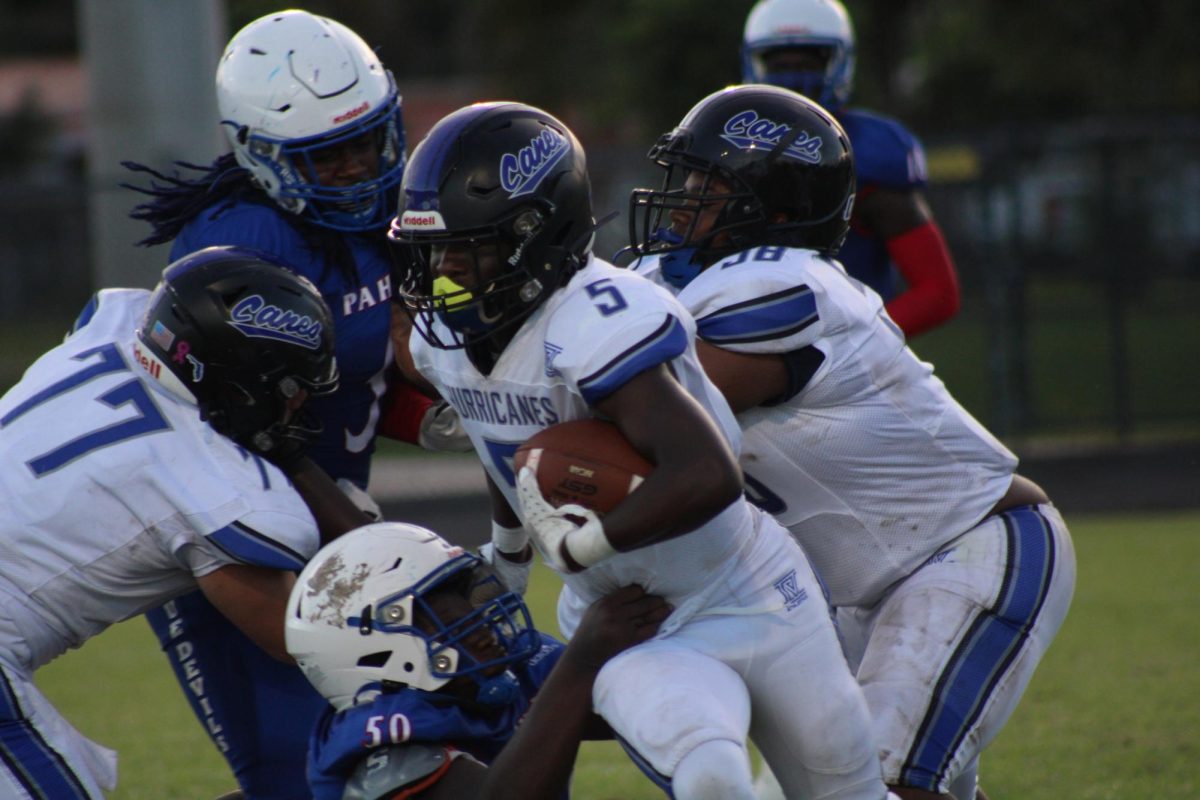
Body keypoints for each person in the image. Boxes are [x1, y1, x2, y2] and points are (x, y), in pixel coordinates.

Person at [390, 100, 895, 800]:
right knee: (712, 777)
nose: (445, 270)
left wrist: (582, 545)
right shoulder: (442, 342)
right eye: (434, 248)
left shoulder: (594, 321)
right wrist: (509, 553)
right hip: (631, 618)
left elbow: (708, 472)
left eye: (467, 247)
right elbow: (499, 438)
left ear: (537, 237)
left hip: (747, 587)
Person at [627, 84, 1077, 800]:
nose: (680, 199)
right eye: (682, 176)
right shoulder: (665, 278)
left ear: (773, 209)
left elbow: (647, 411)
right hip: (848, 598)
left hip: (963, 552)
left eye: (706, 183)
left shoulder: (788, 284)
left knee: (872, 784)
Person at [123, 11, 460, 797]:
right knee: (302, 781)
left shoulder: (386, 217)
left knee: (419, 749)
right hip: (232, 542)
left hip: (327, 527)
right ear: (259, 154)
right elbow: (236, 418)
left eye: (366, 141)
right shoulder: (244, 246)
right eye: (326, 156)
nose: (356, 169)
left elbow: (360, 369)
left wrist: (437, 412)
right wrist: (337, 513)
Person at [0, 247, 369, 799]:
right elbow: (305, 643)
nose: (298, 408)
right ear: (243, 380)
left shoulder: (105, 338)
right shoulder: (211, 482)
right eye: (293, 388)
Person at [285, 521, 672, 800]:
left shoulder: (474, 685)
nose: (485, 634)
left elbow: (641, 709)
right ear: (380, 652)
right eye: (454, 626)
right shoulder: (385, 747)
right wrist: (581, 663)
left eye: (474, 616)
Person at [742, 0, 960, 338]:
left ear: (839, 64)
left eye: (811, 63)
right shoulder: (729, 141)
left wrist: (854, 343)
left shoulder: (869, 151)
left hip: (845, 373)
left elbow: (937, 292)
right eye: (779, 64)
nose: (793, 78)